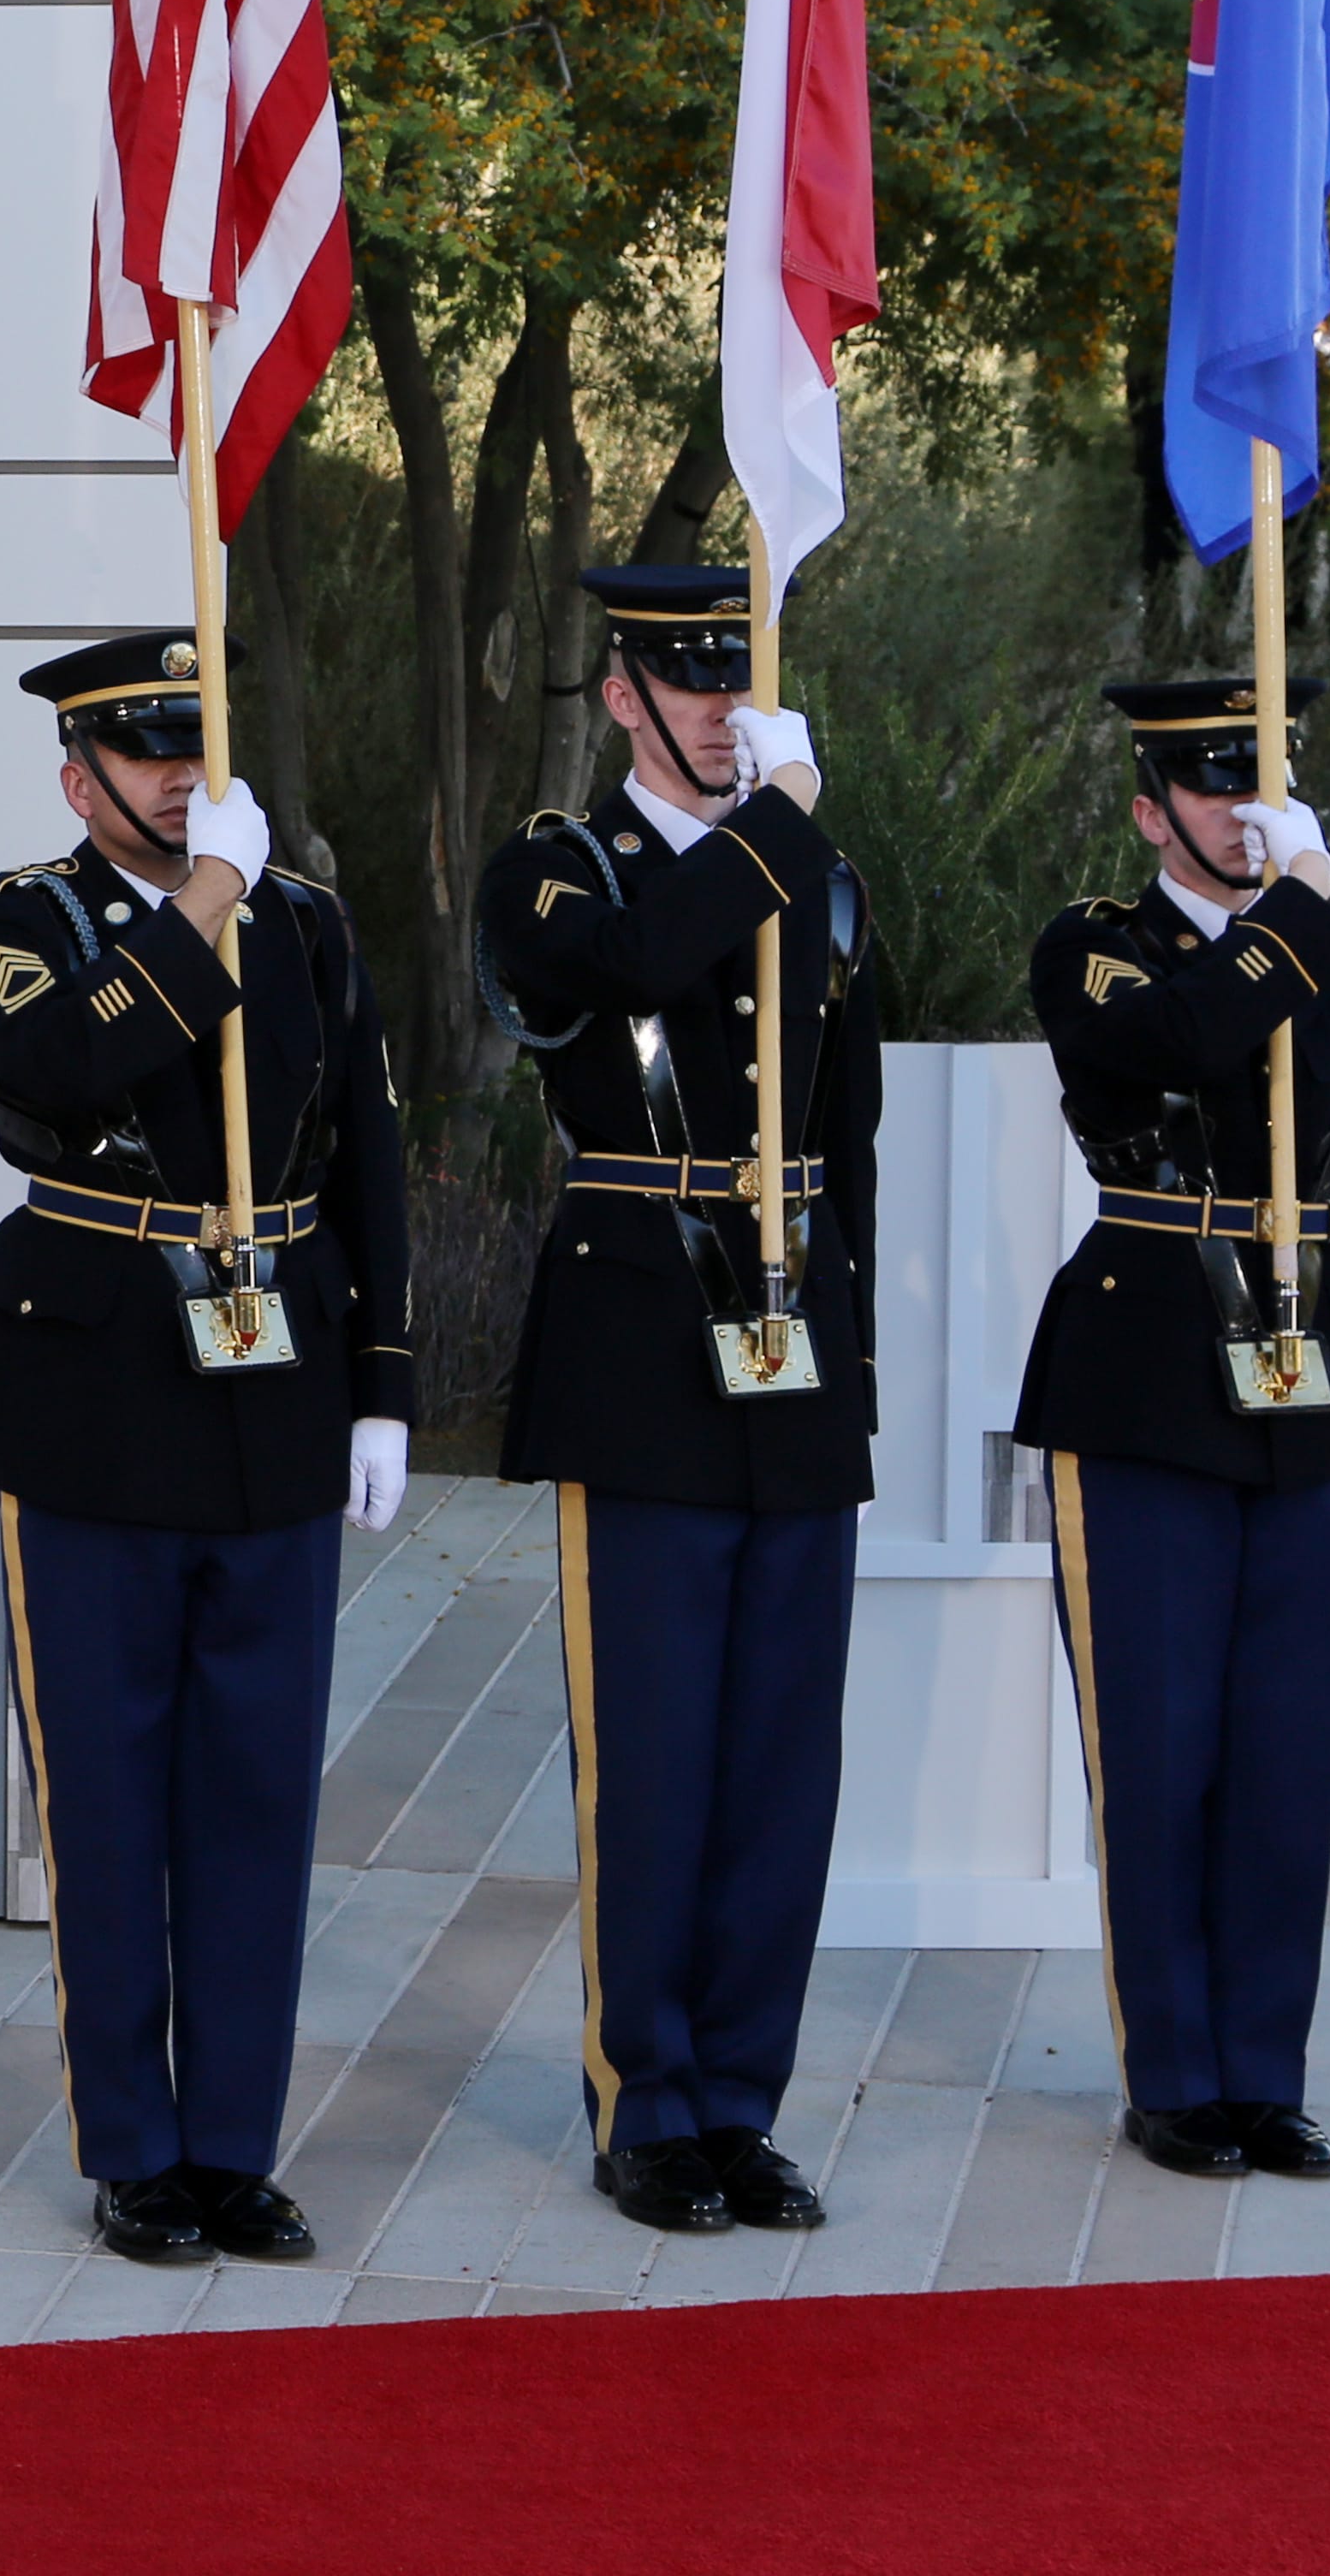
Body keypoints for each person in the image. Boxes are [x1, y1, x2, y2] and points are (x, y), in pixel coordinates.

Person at [0, 633, 413, 2270]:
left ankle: (234, 2145)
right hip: (93, 1393)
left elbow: (371, 1155)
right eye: (145, 755)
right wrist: (200, 906)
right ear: (80, 780)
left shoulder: (312, 926)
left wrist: (386, 1388)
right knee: (115, 1794)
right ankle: (133, 2148)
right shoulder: (18, 922)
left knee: (259, 1796)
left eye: (195, 747)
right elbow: (64, 1068)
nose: (179, 778)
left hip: (273, 1380)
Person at [470, 564, 882, 2238]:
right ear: (623, 697)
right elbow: (637, 965)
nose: (724, 706)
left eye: (744, 678)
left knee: (784, 1761)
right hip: (644, 1348)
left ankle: (740, 2102)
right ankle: (645, 2102)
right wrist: (776, 826)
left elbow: (848, 1133)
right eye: (691, 681)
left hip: (792, 1349)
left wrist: (857, 1357)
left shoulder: (820, 883)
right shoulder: (554, 870)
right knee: (652, 1752)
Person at [1012, 680, 1330, 2184]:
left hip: (1310, 1388)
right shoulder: (1096, 949)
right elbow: (1190, 1043)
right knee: (1164, 1744)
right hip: (1144, 1382)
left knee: (1283, 1758)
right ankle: (1174, 2075)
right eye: (1210, 788)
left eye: (1263, 784)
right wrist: (1306, 908)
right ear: (1149, 810)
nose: (1245, 813)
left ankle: (1266, 2070)